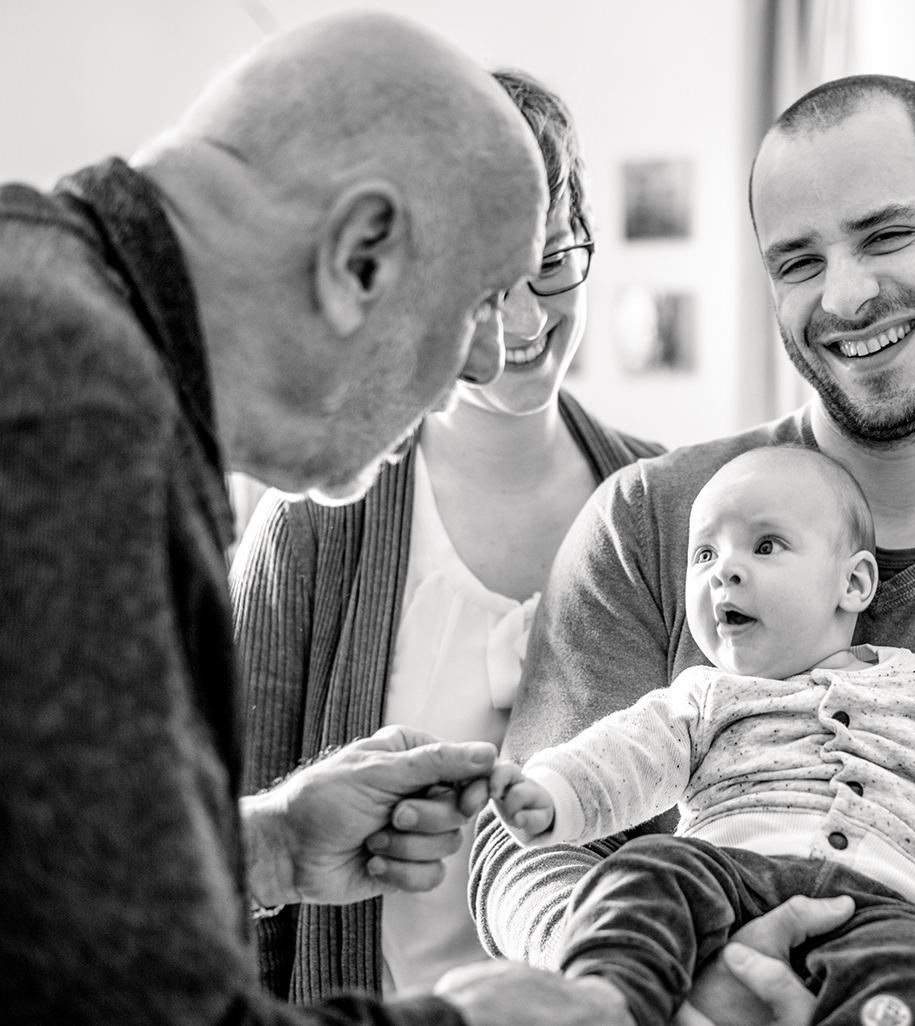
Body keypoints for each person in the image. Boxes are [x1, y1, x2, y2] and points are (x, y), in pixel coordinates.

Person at [0, 13, 827, 1026]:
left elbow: (50, 884)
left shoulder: (49, 307)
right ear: (362, 253)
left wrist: (273, 845)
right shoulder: (75, 410)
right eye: (477, 303)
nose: (489, 359)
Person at [473, 74, 915, 1025]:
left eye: (887, 235)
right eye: (798, 261)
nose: (846, 295)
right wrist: (684, 1002)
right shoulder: (649, 522)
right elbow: (526, 847)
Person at [232, 69, 663, 1003]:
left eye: (553, 265)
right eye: (486, 284)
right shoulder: (311, 525)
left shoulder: (671, 506)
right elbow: (228, 866)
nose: (522, 324)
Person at [492, 445, 915, 1026]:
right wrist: (551, 793)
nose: (724, 570)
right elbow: (623, 755)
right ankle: (607, 1004)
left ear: (853, 582)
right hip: (729, 877)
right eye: (704, 553)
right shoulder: (704, 697)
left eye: (765, 546)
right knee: (646, 872)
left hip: (897, 907)